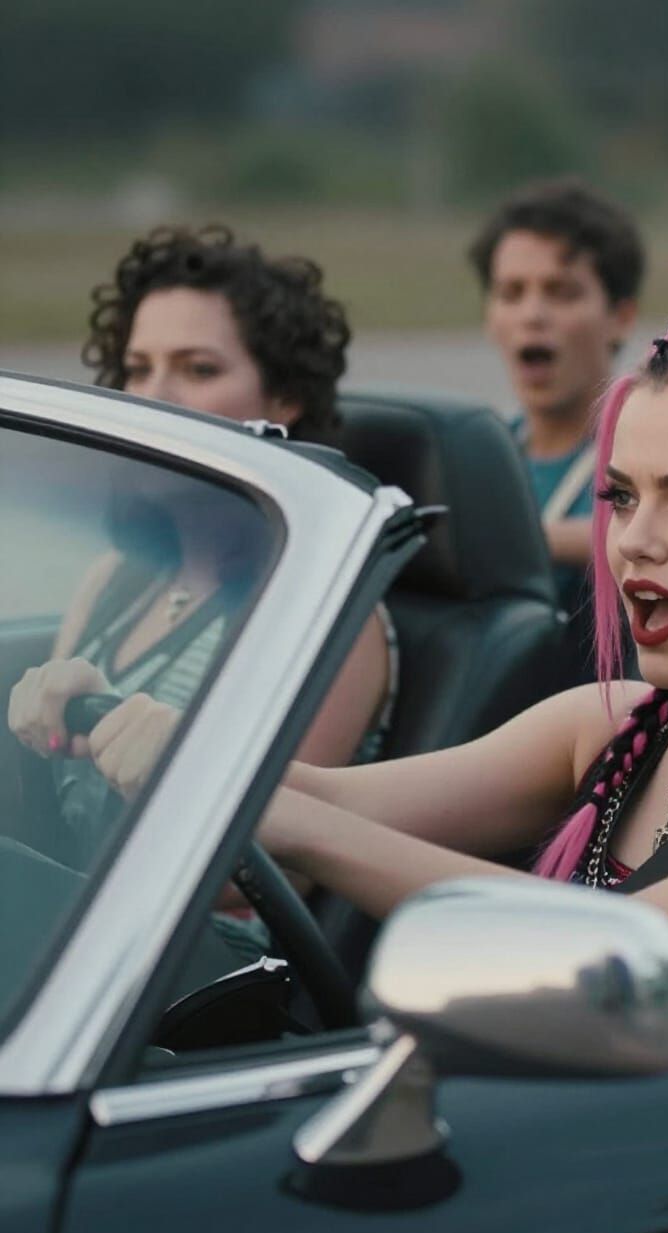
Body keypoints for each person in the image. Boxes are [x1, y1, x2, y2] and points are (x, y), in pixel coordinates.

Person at [81, 223, 668, 962]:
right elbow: (339, 798)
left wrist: (276, 820)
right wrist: (145, 729)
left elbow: (618, 947)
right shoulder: (608, 725)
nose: (634, 541)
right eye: (622, 496)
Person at [8, 225, 398, 868]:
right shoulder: (114, 577)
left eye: (198, 369)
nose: (154, 398)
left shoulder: (331, 613)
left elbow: (264, 873)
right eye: (138, 369)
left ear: (284, 398)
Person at [468, 179, 644, 678]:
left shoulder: (647, 450)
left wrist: (515, 541)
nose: (533, 314)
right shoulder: (480, 452)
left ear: (620, 317)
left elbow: (667, 536)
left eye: (561, 292)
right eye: (511, 293)